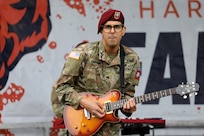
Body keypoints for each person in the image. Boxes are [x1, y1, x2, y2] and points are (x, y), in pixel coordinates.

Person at [54, 9, 141, 136]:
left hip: (110, 131)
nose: (112, 31)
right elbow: (62, 87)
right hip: (81, 127)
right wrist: (83, 102)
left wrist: (129, 107)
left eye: (117, 27)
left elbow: (127, 95)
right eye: (108, 27)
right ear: (101, 30)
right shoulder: (83, 53)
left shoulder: (131, 58)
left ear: (123, 31)